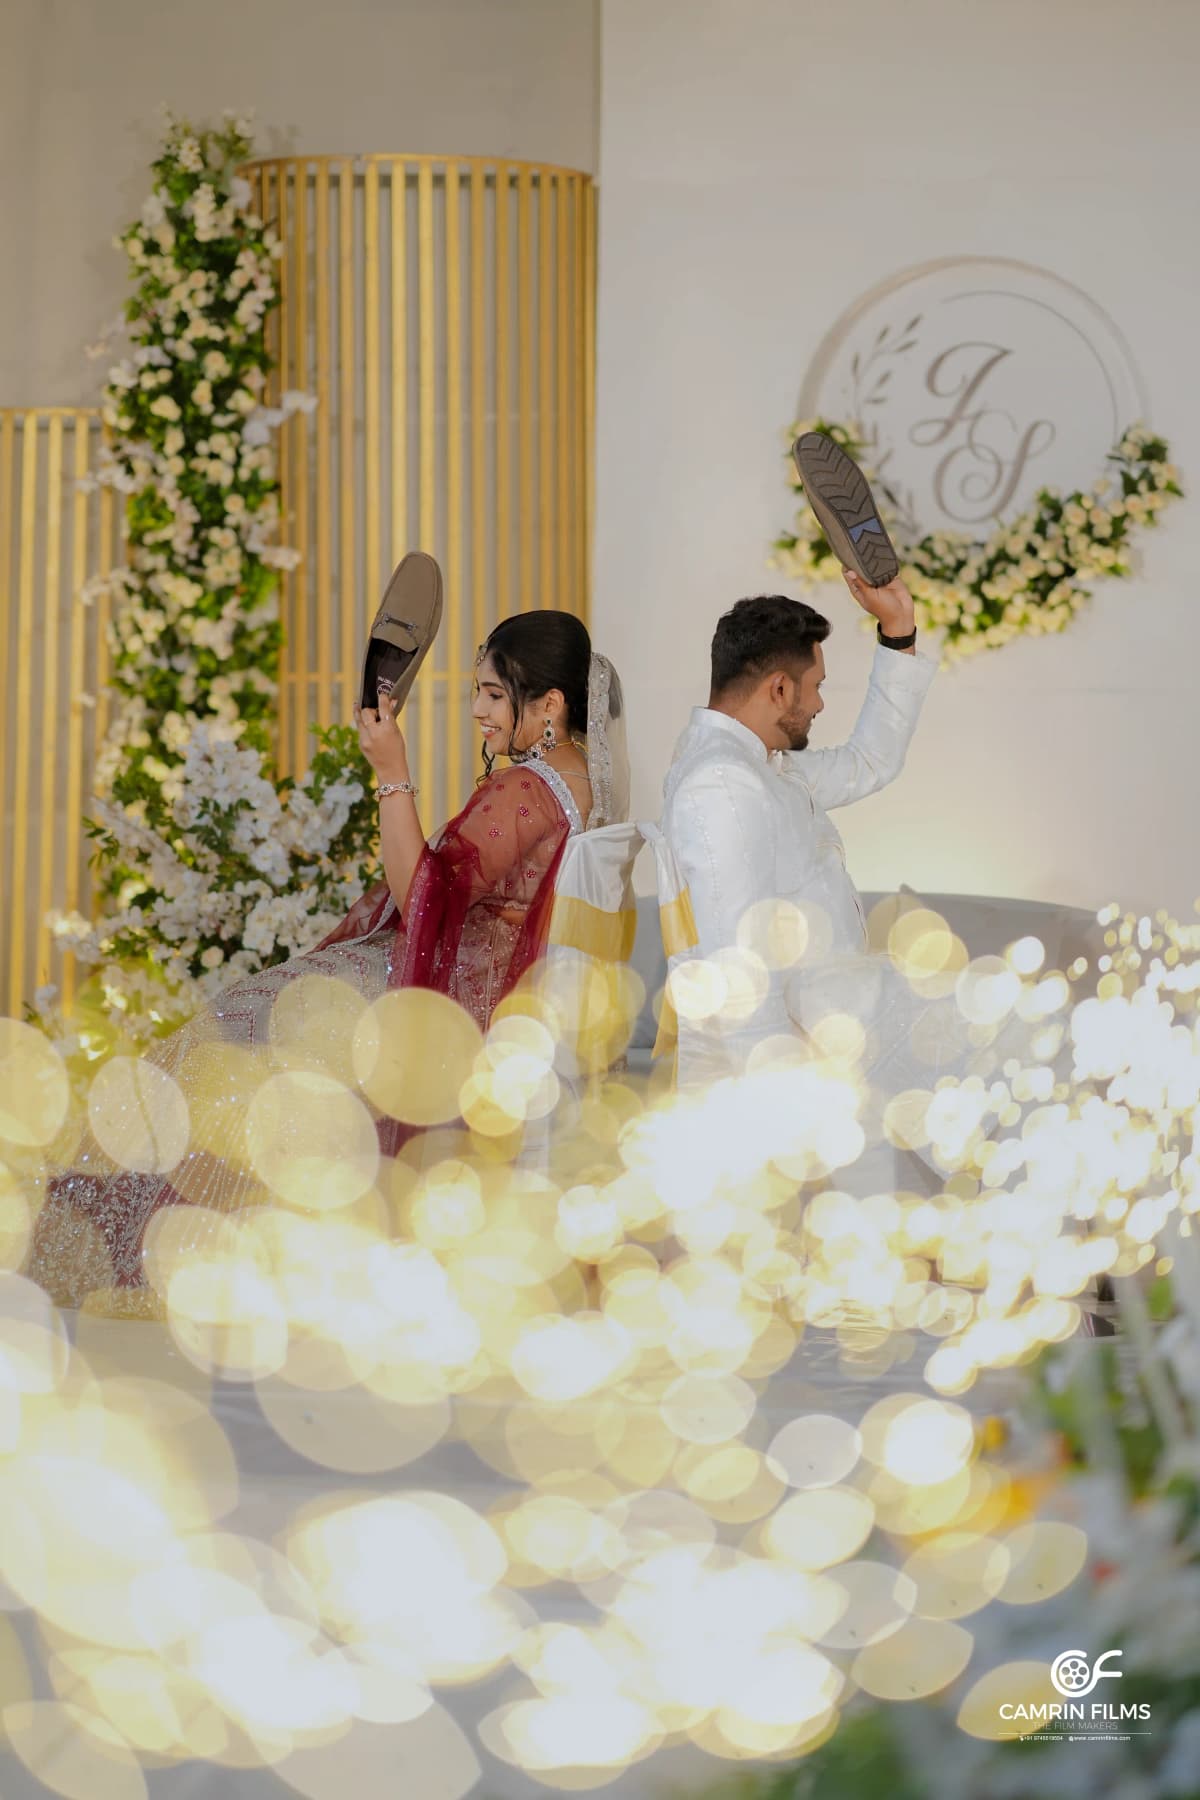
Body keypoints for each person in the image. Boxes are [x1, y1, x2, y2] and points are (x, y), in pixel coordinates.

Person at [30, 609, 629, 1299]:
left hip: (452, 999)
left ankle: (136, 1246)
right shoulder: (583, 785)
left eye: (494, 695)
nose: (477, 710)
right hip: (493, 989)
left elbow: (422, 898)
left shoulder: (524, 789)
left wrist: (392, 773)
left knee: (234, 1032)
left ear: (549, 704)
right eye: (478, 692)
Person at [661, 570, 936, 1085]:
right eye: (816, 687)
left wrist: (898, 634)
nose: (819, 704)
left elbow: (868, 762)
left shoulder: (760, 765)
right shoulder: (720, 783)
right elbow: (738, 971)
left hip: (846, 1036)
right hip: (804, 1067)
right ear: (780, 688)